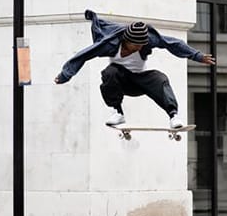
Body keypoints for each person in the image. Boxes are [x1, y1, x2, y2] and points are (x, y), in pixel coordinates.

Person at [55, 10, 216, 128]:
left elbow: (172, 43)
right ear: (126, 40)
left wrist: (197, 55)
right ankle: (117, 113)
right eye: (135, 46)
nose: (139, 48)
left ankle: (173, 116)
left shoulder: (149, 40)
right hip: (122, 82)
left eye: (142, 45)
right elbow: (84, 55)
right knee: (110, 71)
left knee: (160, 78)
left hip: (142, 82)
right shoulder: (110, 44)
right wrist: (65, 75)